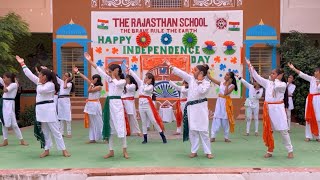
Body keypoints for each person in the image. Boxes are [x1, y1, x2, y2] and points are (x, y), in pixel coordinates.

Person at [16, 55, 70, 158]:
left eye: (40, 75)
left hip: (49, 109)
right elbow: (29, 75)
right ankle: (46, 149)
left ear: (45, 77)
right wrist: (22, 63)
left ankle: (64, 149)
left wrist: (39, 82)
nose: (38, 76)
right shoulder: (40, 82)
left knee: (55, 130)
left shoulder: (50, 85)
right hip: (40, 109)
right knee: (44, 130)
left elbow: (40, 90)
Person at [84, 52, 129, 159]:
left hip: (117, 105)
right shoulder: (110, 79)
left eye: (110, 70)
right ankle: (111, 151)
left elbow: (117, 84)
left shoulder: (122, 81)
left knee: (120, 126)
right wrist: (90, 60)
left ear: (116, 71)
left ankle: (124, 150)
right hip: (109, 104)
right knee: (110, 128)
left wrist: (112, 75)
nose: (108, 72)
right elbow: (98, 69)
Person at [247, 59, 293, 158]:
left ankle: (290, 150)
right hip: (268, 109)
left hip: (278, 108)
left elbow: (276, 87)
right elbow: (257, 77)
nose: (271, 75)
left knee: (283, 130)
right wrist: (250, 67)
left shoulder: (282, 84)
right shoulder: (267, 83)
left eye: (273, 73)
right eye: (271, 73)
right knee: (268, 130)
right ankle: (270, 150)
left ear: (279, 75)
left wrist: (276, 79)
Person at [167, 61, 213, 159]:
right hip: (191, 109)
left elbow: (201, 91)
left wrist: (199, 81)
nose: (193, 71)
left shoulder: (207, 83)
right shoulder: (191, 79)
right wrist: (171, 66)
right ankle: (194, 151)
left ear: (201, 73)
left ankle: (208, 151)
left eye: (195, 70)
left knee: (204, 130)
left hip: (201, 108)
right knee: (193, 130)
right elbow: (181, 73)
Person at [127, 66, 167, 144]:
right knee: (144, 122)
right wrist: (130, 70)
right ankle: (145, 139)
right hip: (141, 105)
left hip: (148, 105)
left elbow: (145, 90)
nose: (146, 79)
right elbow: (135, 77)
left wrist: (144, 84)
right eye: (146, 78)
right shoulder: (142, 83)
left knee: (153, 121)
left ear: (151, 80)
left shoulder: (151, 86)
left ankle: (162, 135)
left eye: (148, 78)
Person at [288, 63, 320, 141]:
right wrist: (293, 68)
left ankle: (318, 136)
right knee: (309, 117)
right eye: (315, 71)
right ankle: (308, 136)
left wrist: (318, 83)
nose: (315, 73)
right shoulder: (312, 79)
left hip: (318, 99)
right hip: (310, 100)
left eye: (316, 71)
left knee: (318, 118)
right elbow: (302, 74)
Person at [74, 67, 103, 144]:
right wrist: (78, 72)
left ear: (97, 80)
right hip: (90, 104)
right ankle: (92, 138)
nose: (92, 80)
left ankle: (104, 137)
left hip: (95, 105)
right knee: (92, 122)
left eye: (94, 79)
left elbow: (89, 90)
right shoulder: (92, 84)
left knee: (98, 121)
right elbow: (85, 78)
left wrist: (92, 83)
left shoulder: (99, 87)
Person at [207, 71, 238, 142]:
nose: (225, 76)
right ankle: (213, 136)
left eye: (227, 75)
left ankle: (226, 137)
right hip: (219, 103)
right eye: (225, 74)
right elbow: (211, 78)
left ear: (230, 78)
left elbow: (225, 93)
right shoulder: (221, 83)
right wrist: (207, 72)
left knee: (225, 119)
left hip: (226, 104)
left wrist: (227, 84)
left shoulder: (232, 86)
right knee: (216, 118)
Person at [0, 73, 28, 147]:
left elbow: (5, 90)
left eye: (5, 78)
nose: (3, 79)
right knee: (4, 123)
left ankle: (21, 140)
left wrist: (4, 84)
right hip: (4, 104)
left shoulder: (14, 85)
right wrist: (3, 82)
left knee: (14, 125)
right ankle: (5, 140)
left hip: (9, 105)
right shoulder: (8, 83)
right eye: (3, 78)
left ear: (9, 78)